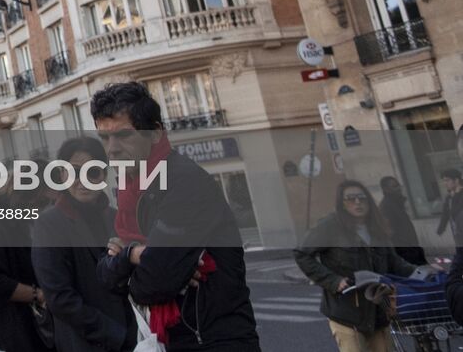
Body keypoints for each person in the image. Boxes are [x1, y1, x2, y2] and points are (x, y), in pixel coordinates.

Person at [93, 81, 260, 352]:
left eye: (123, 135)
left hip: (212, 341)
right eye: (104, 137)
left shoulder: (183, 181)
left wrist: (129, 264)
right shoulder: (131, 191)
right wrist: (135, 256)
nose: (112, 148)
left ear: (156, 132)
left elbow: (153, 283)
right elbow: (103, 276)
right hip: (173, 339)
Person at [33, 136, 133, 352]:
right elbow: (60, 298)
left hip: (134, 338)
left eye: (93, 172)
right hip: (86, 343)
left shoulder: (119, 219)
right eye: (74, 172)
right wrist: (115, 335)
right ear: (62, 175)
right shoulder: (49, 223)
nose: (83, 180)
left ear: (104, 176)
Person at [295, 180, 418, 352]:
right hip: (346, 313)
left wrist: (422, 273)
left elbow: (394, 262)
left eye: (362, 198)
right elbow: (302, 253)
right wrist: (333, 280)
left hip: (378, 312)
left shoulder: (376, 227)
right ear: (342, 203)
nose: (357, 202)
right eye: (350, 199)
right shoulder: (330, 226)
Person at [0, 177, 50, 352]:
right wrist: (37, 294)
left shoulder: (44, 223)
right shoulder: (2, 226)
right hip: (24, 330)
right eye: (43, 200)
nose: (48, 205)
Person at [379, 176, 426, 266]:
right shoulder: (386, 207)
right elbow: (388, 232)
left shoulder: (397, 204)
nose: (398, 188)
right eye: (394, 186)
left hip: (412, 249)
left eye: (398, 185)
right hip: (405, 252)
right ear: (386, 189)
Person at [438, 169, 463, 245]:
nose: (445, 183)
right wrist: (441, 228)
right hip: (457, 233)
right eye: (444, 181)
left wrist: (456, 195)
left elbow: (456, 210)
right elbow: (445, 213)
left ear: (456, 180)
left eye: (447, 180)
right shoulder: (449, 197)